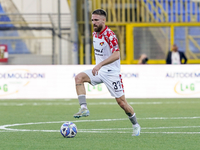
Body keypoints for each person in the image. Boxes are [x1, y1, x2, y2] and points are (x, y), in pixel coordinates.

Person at [73, 9, 141, 136]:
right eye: (92, 20)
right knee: (79, 78)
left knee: (122, 103)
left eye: (96, 20)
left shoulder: (110, 35)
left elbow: (117, 54)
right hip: (99, 71)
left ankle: (135, 124)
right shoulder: (95, 34)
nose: (93, 23)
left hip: (111, 73)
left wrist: (99, 64)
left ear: (103, 20)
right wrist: (99, 66)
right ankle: (84, 108)